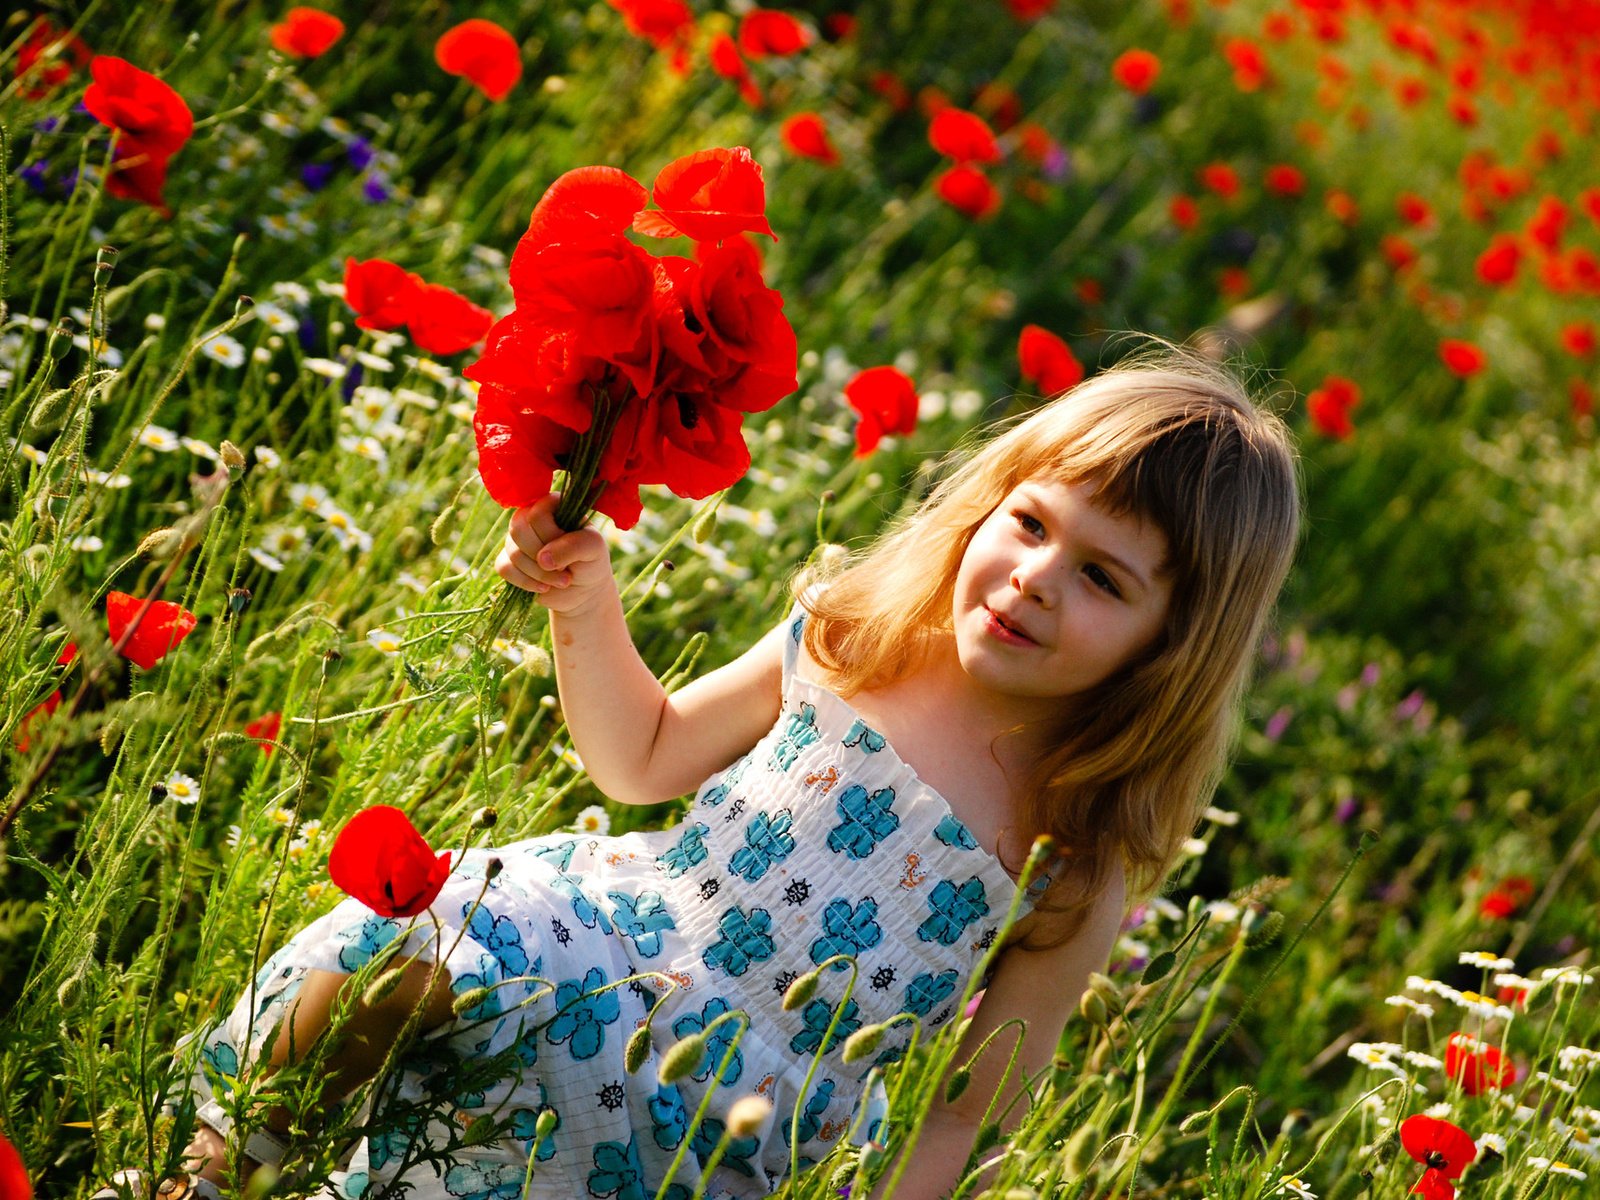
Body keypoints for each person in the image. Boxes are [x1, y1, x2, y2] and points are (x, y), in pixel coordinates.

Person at [111, 346, 1299, 1200]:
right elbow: (643, 756)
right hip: (607, 943)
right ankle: (216, 1170)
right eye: (1032, 523)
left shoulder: (1069, 855)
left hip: (723, 1129)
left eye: (1104, 579)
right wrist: (586, 606)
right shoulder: (851, 642)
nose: (1038, 576)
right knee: (416, 945)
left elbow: (973, 1109)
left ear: (1170, 643)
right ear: (987, 503)